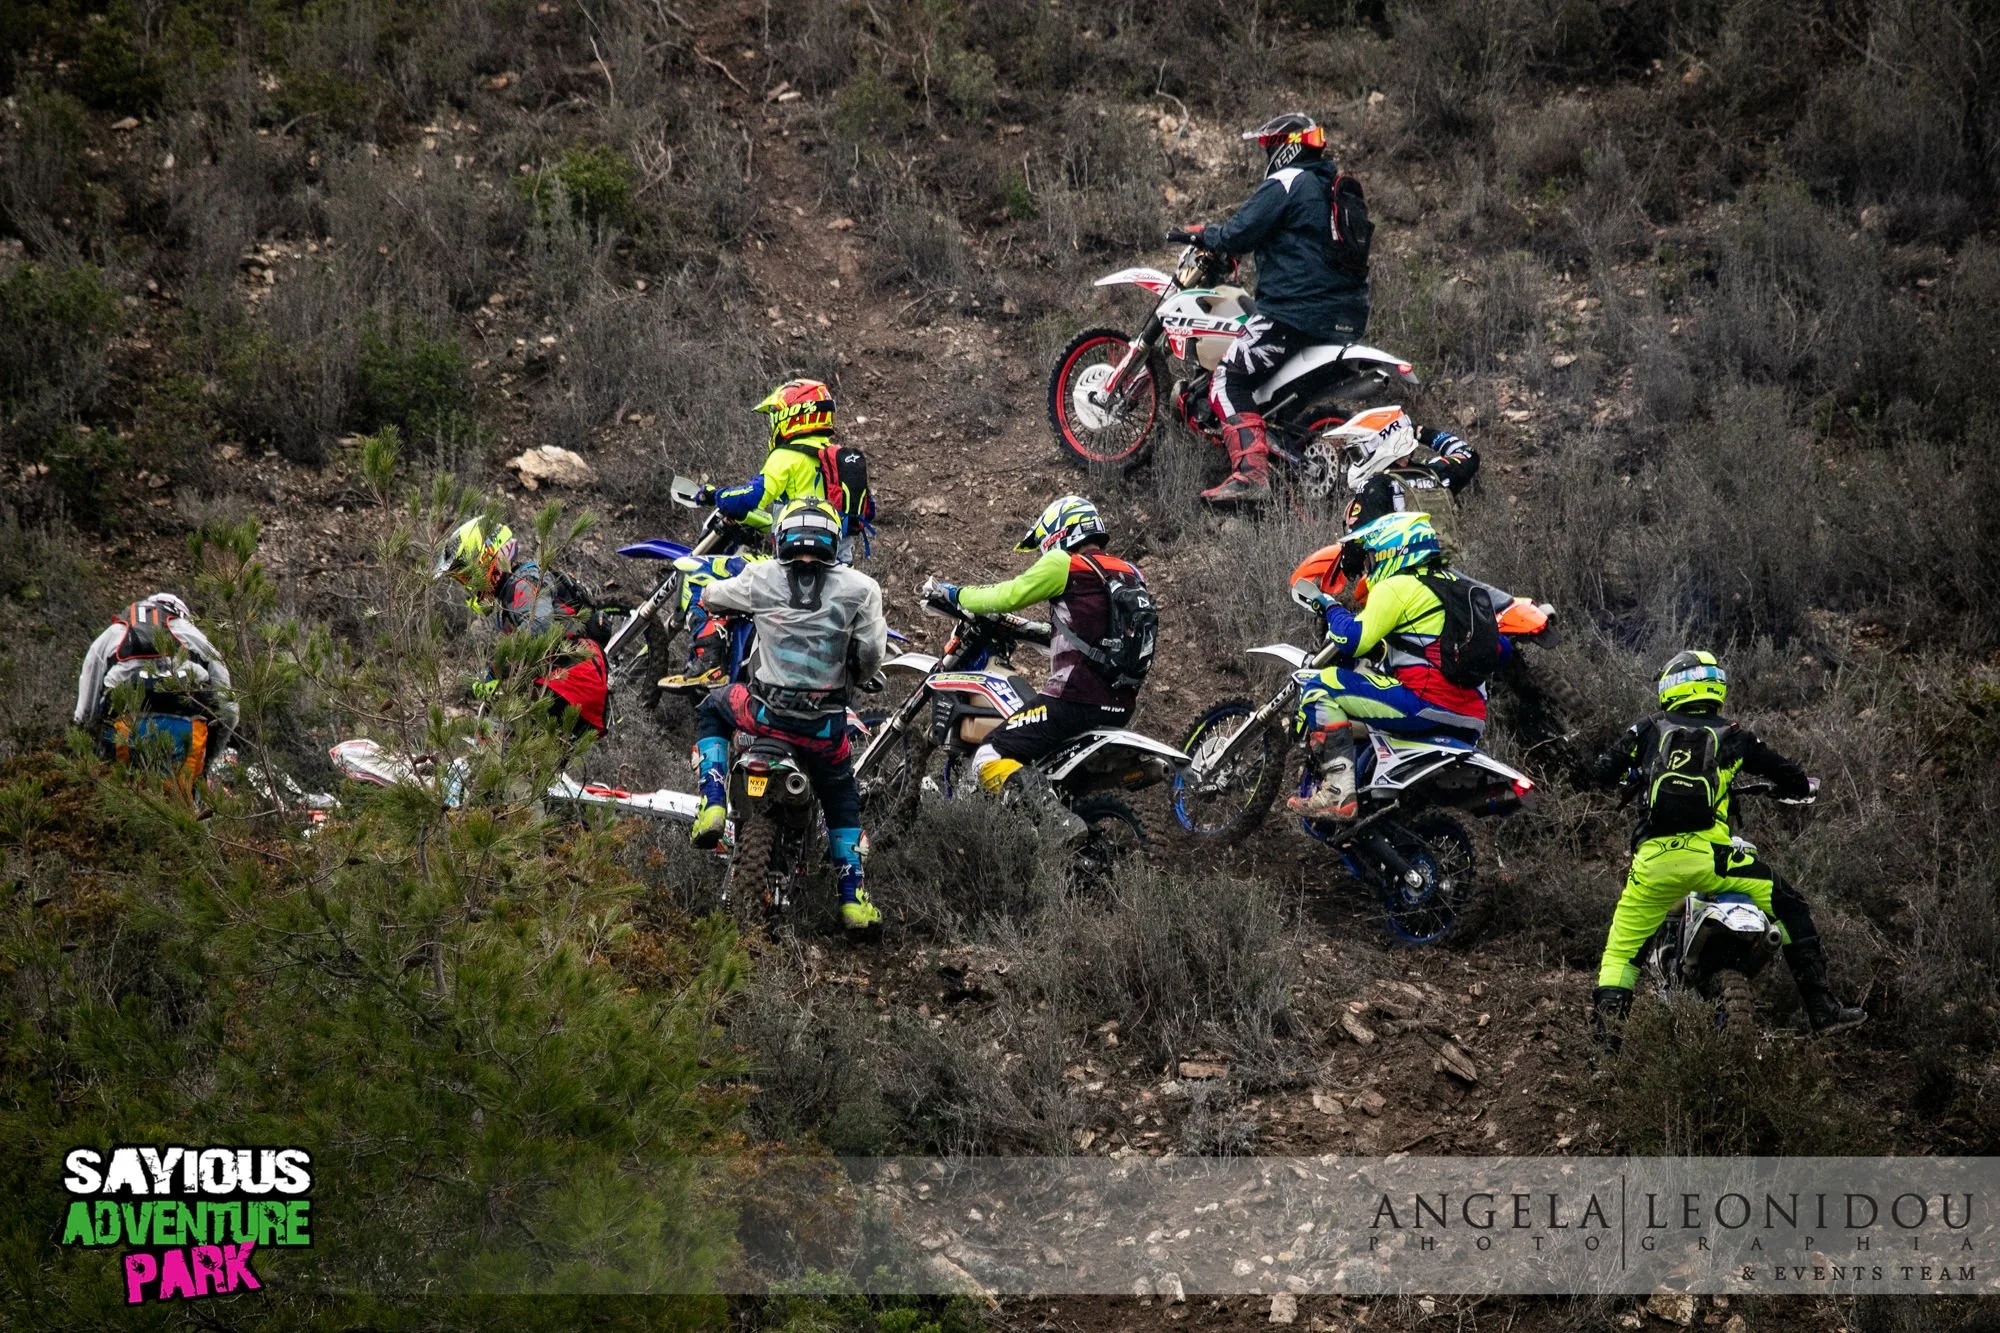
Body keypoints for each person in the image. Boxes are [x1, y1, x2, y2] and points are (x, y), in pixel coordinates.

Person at [1587, 651, 1866, 1047]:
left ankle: (1605, 1055)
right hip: (1714, 861)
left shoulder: (1648, 728)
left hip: (1653, 864)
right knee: (1790, 905)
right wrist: (1796, 787)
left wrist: (1635, 772)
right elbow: (1791, 776)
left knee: (1620, 956)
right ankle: (1822, 1010)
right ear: (1715, 686)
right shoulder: (1734, 736)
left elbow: (1600, 771)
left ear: (1672, 686)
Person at [689, 499, 888, 939]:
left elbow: (712, 596)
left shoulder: (760, 576)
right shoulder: (862, 588)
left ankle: (713, 802)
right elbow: (872, 654)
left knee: (712, 708)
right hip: (822, 728)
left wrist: (720, 598)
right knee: (840, 794)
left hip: (764, 715)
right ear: (834, 539)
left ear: (781, 537)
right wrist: (854, 675)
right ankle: (852, 899)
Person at [927, 496, 1152, 827]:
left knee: (988, 756)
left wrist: (956, 594)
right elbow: (1094, 633)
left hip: (1072, 701)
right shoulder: (1129, 573)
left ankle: (1056, 824)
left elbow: (1007, 595)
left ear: (1059, 532)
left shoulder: (1065, 564)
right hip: (1120, 706)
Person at [1189, 113, 1372, 506]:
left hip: (1295, 313)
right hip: (1345, 318)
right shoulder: (1329, 188)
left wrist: (1204, 234)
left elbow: (1239, 231)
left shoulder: (1288, 181)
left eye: (1269, 147)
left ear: (1285, 147)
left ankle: (1251, 474)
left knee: (1227, 381)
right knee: (1271, 396)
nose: (1267, 155)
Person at [1288, 512, 1503, 821]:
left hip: (1423, 703)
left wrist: (1329, 606)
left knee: (1319, 685)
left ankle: (1337, 793)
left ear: (1393, 550)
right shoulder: (1457, 586)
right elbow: (1500, 648)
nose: (1369, 566)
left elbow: (1353, 639)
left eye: (1373, 556)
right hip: (1471, 718)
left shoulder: (1398, 586)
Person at [433, 517, 611, 739]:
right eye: (463, 580)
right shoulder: (509, 598)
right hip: (572, 683)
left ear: (487, 559)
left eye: (468, 576)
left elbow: (539, 627)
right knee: (505, 742)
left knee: (494, 735)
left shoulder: (524, 582)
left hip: (573, 679)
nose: (469, 585)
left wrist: (496, 669)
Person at [697, 378, 874, 563]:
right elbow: (868, 513)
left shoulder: (786, 455)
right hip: (839, 563)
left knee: (730, 570)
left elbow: (751, 496)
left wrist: (715, 495)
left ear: (792, 415)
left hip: (795, 562)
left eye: (775, 416)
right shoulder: (839, 459)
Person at [74, 593, 238, 785]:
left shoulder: (111, 635)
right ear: (180, 615)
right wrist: (208, 761)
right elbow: (229, 710)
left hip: (124, 732)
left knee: (124, 794)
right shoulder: (193, 635)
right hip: (187, 732)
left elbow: (85, 713)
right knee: (182, 799)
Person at [1332, 405, 1480, 530]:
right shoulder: (1433, 474)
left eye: (1357, 454)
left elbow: (1357, 546)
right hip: (1440, 555)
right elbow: (1467, 453)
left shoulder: (1373, 486)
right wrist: (1419, 431)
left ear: (1383, 444)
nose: (1355, 462)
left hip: (1396, 557)